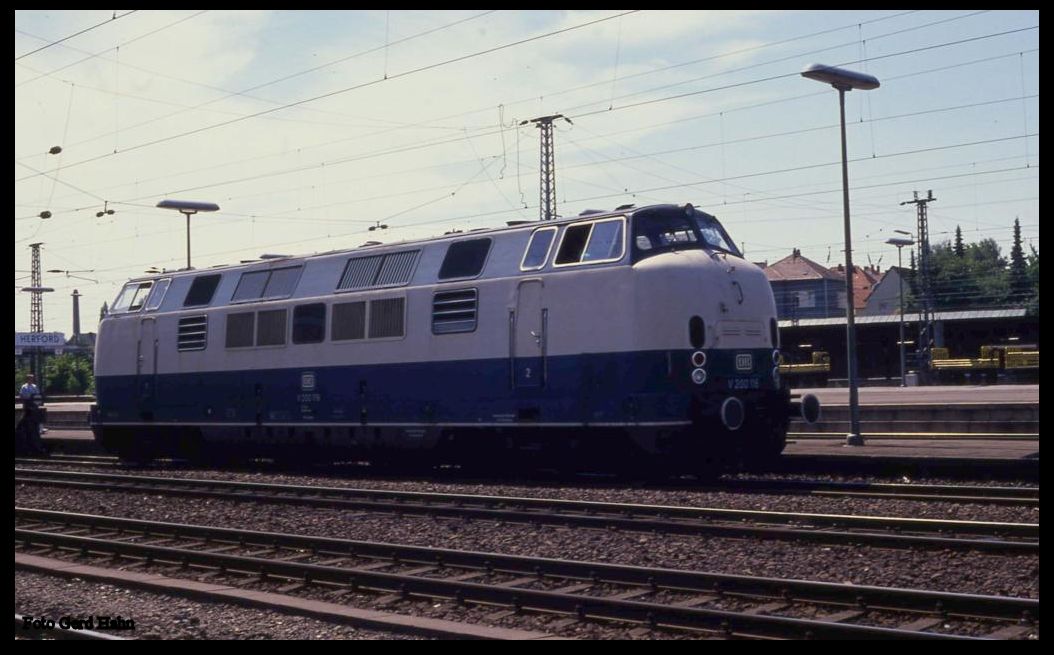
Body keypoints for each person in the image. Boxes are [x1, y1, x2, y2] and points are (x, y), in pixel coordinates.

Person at [17, 374, 47, 455]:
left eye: (32, 378)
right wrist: (28, 397)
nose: (31, 380)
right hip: (27, 405)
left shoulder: (35, 386)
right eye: (30, 378)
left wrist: (35, 397)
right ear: (27, 379)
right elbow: (22, 395)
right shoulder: (24, 387)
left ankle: (40, 429)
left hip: (34, 405)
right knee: (27, 419)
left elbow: (37, 394)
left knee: (37, 418)